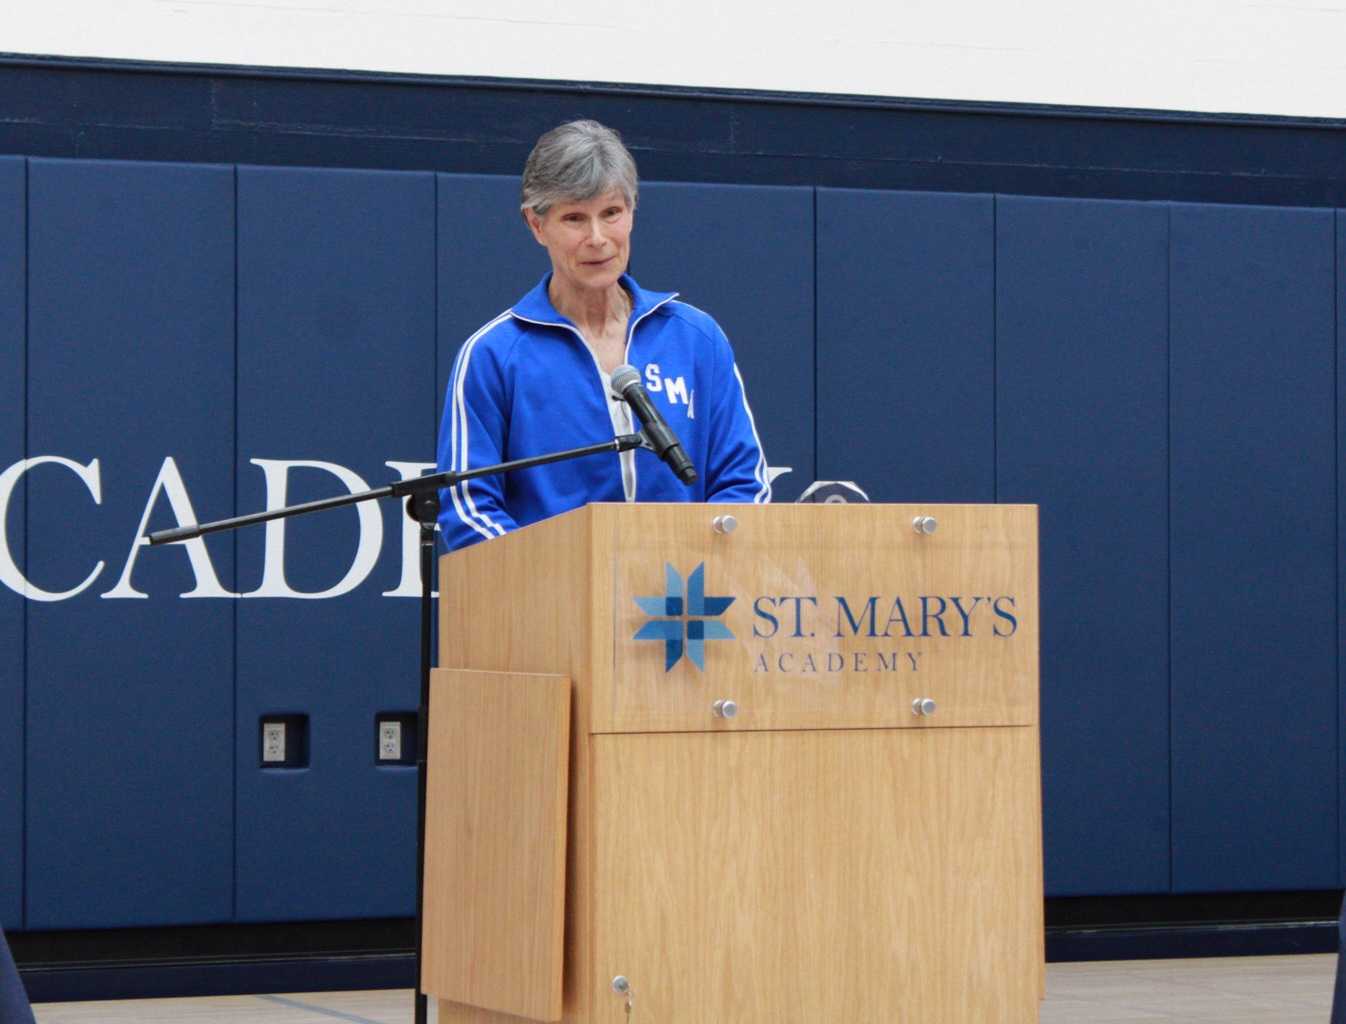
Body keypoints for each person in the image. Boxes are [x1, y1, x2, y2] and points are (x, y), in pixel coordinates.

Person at [437, 119, 770, 552]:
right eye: (574, 218)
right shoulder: (493, 354)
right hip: (552, 608)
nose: (597, 239)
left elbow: (744, 485)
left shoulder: (695, 338)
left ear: (632, 213)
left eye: (611, 213)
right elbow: (469, 510)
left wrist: (690, 568)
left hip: (684, 602)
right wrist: (567, 585)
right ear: (536, 225)